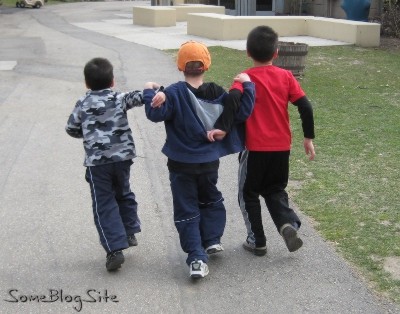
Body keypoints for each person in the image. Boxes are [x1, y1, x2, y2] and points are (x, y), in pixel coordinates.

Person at [144, 41, 255, 279]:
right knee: (211, 199)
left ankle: (196, 256)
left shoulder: (173, 92)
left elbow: (154, 113)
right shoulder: (218, 93)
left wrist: (149, 90)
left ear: (180, 67)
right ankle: (212, 239)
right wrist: (248, 86)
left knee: (186, 208)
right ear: (206, 66)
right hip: (208, 162)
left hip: (180, 164)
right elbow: (242, 112)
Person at [231, 26, 316, 256]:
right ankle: (286, 224)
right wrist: (308, 137)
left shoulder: (244, 79)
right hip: (281, 149)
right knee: (275, 190)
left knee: (247, 194)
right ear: (276, 53)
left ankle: (256, 240)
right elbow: (305, 106)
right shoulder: (286, 76)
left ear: (248, 51)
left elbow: (233, 103)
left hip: (255, 149)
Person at [65, 57, 155, 271]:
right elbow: (139, 97)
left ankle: (114, 249)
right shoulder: (118, 98)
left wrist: (87, 135)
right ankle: (129, 231)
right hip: (122, 159)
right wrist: (151, 89)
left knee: (103, 203)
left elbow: (71, 128)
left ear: (86, 83)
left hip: (98, 164)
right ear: (113, 81)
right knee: (123, 192)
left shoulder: (82, 103)